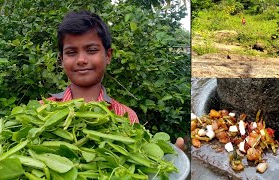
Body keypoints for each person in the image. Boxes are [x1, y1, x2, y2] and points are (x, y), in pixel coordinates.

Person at [44, 10, 185, 150]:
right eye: (71, 52)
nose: (81, 60)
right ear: (62, 59)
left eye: (91, 50)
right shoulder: (41, 112)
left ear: (108, 56)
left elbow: (138, 162)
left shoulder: (126, 116)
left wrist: (168, 160)